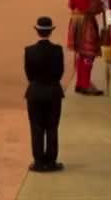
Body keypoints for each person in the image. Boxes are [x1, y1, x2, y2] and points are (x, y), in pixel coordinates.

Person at [25, 16, 65, 173]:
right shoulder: (58, 50)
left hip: (34, 93)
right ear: (51, 31)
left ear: (37, 31)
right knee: (52, 127)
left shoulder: (29, 51)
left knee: (36, 128)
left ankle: (38, 162)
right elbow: (59, 73)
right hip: (53, 92)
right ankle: (51, 161)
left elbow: (29, 75)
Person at [67, 0, 106, 96]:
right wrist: (101, 3)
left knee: (85, 54)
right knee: (88, 54)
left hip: (83, 21)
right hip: (84, 22)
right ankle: (84, 83)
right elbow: (87, 7)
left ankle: (82, 82)